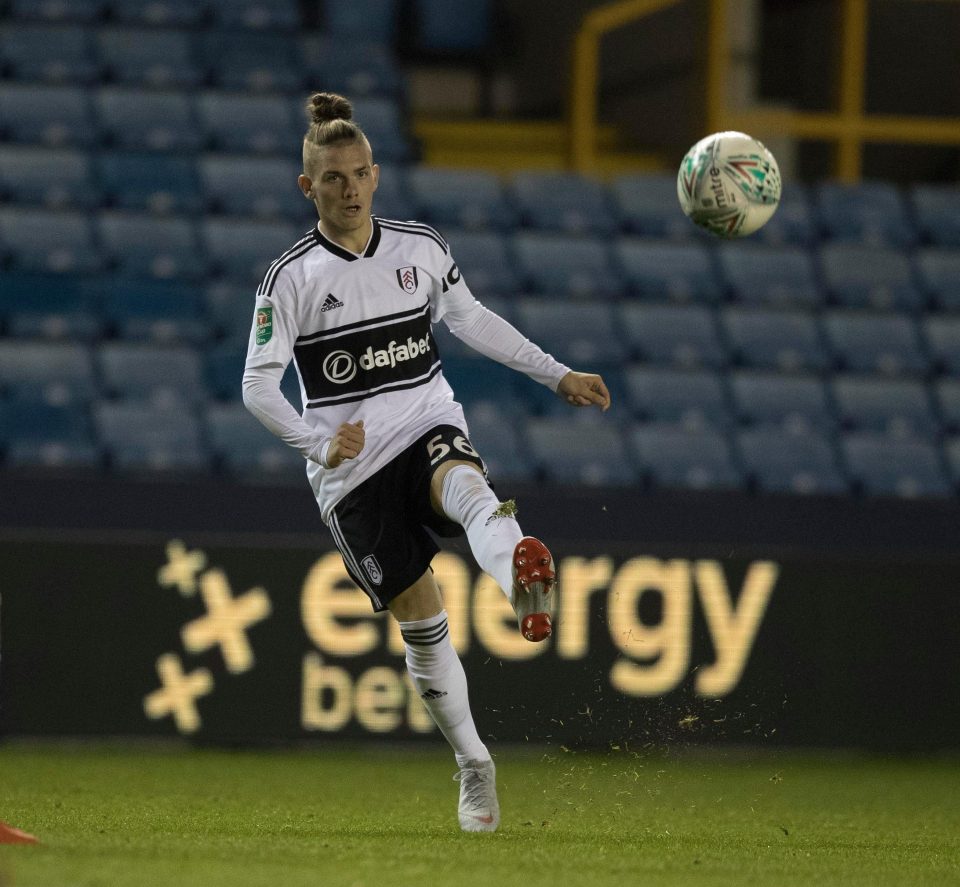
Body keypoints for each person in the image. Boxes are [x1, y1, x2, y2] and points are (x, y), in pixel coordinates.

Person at [242, 92, 611, 833]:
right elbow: (256, 384)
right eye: (332, 178)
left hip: (425, 421)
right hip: (351, 477)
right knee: (422, 618)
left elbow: (471, 318)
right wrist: (318, 442)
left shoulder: (420, 249)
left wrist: (556, 372)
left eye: (359, 173)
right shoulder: (291, 279)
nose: (348, 189)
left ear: (377, 175)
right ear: (306, 187)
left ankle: (520, 577)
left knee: (469, 487)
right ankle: (475, 763)